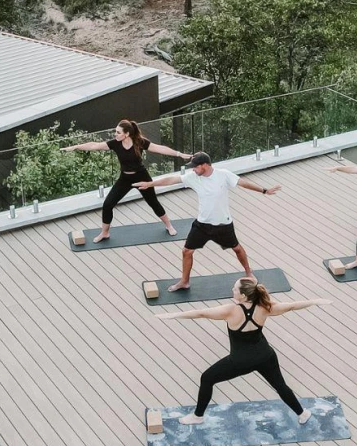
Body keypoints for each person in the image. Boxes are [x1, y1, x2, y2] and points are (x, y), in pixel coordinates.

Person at [156, 277, 331, 426]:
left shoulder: (230, 310)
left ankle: (197, 416)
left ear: (243, 295)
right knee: (280, 386)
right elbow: (292, 306)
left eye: (235, 288)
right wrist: (316, 301)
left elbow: (201, 313)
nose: (232, 289)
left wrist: (172, 316)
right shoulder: (265, 306)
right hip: (265, 356)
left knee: (207, 378)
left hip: (241, 361)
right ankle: (302, 413)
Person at [134, 152, 278, 291]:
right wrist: (150, 184)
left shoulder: (223, 175)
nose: (193, 169)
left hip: (223, 224)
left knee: (236, 248)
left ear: (205, 165)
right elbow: (172, 179)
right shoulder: (193, 177)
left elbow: (243, 183)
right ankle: (184, 282)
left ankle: (248, 272)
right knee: (187, 251)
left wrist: (264, 191)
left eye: (195, 166)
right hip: (202, 224)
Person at [61, 120, 192, 242]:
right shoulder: (115, 143)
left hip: (141, 177)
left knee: (153, 203)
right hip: (125, 178)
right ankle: (105, 232)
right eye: (115, 131)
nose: (115, 134)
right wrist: (76, 147)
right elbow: (94, 146)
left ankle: (169, 225)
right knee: (108, 204)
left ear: (127, 134)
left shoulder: (140, 142)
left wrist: (179, 154)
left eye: (118, 132)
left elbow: (160, 148)